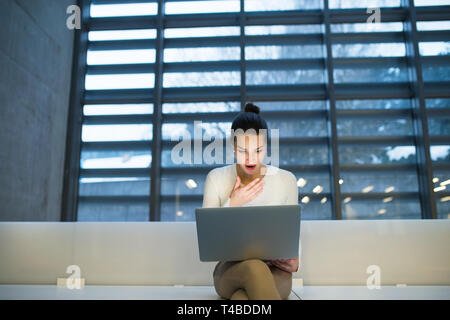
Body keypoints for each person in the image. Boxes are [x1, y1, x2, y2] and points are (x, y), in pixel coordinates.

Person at [202, 102, 301, 300]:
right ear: (232, 146)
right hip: (230, 271)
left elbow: (292, 233)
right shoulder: (217, 178)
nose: (251, 159)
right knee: (254, 268)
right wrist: (233, 203)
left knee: (241, 300)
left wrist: (294, 261)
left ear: (266, 146)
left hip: (276, 272)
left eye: (258, 150)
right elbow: (208, 240)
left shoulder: (286, 179)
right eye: (243, 150)